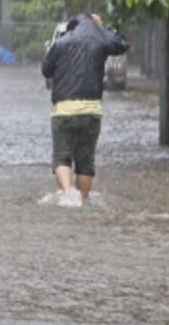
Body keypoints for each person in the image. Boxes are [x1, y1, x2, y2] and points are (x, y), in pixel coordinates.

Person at [41, 13, 128, 206]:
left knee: (61, 157)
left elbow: (45, 70)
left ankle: (67, 193)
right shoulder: (100, 39)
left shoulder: (61, 42)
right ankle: (84, 201)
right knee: (85, 162)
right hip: (91, 110)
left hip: (64, 109)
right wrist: (103, 29)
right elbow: (122, 44)